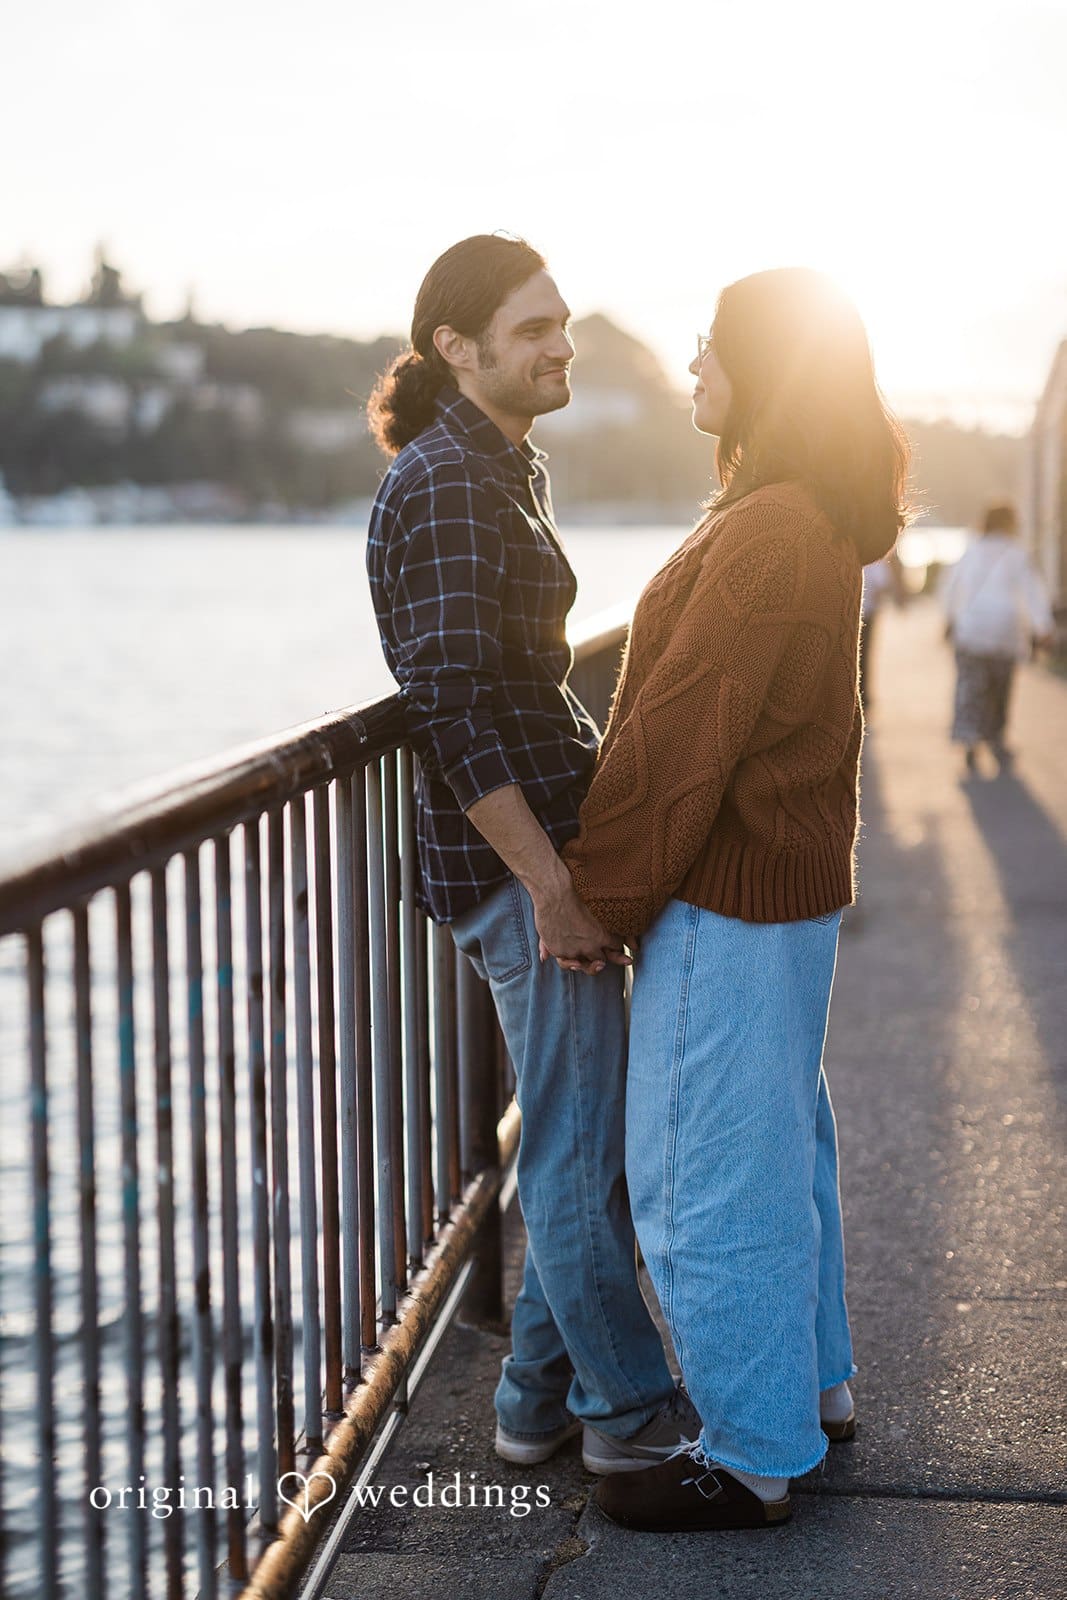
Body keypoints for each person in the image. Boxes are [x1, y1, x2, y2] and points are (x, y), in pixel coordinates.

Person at [559, 268, 911, 1530]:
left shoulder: (766, 532)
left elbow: (675, 741)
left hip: (726, 900)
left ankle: (753, 1450)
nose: (693, 359)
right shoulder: (801, 513)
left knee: (699, 1171)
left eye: (713, 341)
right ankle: (810, 1388)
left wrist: (594, 897)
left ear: (767, 370)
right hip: (787, 895)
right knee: (778, 1147)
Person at [365, 234, 695, 1477]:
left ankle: (528, 1399)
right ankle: (623, 1412)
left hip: (550, 857)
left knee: (578, 1133)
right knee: (570, 1144)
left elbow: (516, 686)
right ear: (456, 348)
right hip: (517, 875)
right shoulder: (447, 482)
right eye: (533, 330)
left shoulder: (503, 463)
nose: (560, 345)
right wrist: (549, 886)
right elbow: (450, 705)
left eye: (562, 324)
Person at [940, 502, 1054, 773]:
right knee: (1001, 688)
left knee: (971, 687)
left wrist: (948, 619)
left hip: (972, 629)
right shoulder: (1017, 554)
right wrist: (1043, 627)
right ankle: (997, 738)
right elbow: (1033, 592)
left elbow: (950, 587)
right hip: (1006, 632)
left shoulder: (971, 550)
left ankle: (970, 741)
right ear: (1010, 523)